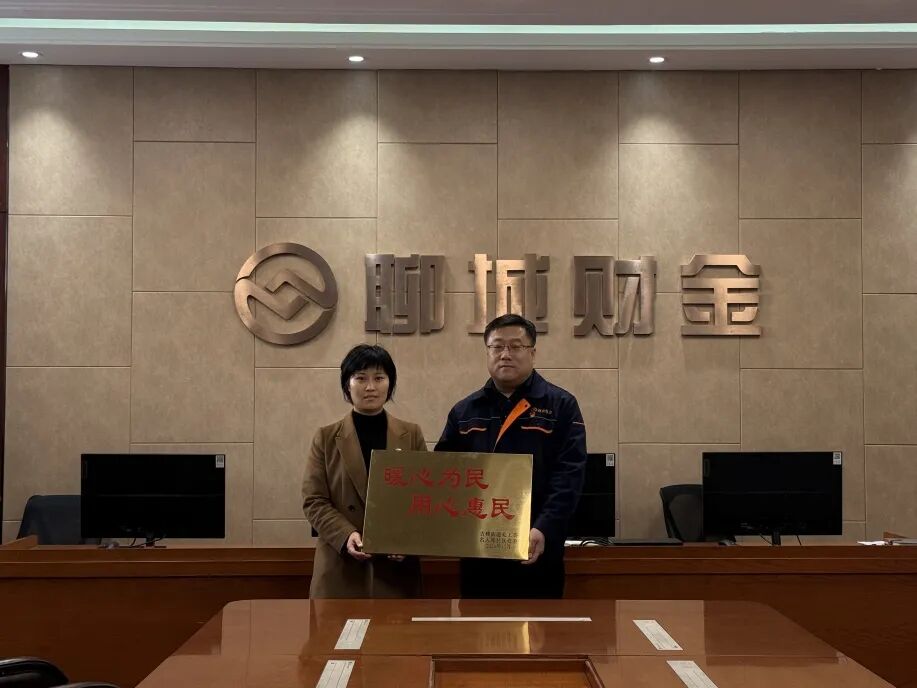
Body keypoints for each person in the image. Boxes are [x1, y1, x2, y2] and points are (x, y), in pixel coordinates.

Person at [435, 314, 587, 599]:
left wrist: (544, 528)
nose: (505, 354)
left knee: (539, 626)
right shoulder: (464, 412)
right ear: (487, 352)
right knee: (479, 626)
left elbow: (569, 476)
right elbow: (444, 477)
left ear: (533, 353)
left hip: (536, 548)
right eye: (497, 346)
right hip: (478, 554)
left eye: (516, 346)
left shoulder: (561, 406)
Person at [302, 344, 426, 598]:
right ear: (347, 385)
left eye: (379, 378)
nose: (370, 387)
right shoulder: (326, 437)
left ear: (390, 384)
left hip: (397, 573)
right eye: (360, 378)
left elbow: (425, 497)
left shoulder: (411, 434)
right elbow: (314, 500)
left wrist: (406, 539)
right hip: (340, 569)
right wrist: (346, 534)